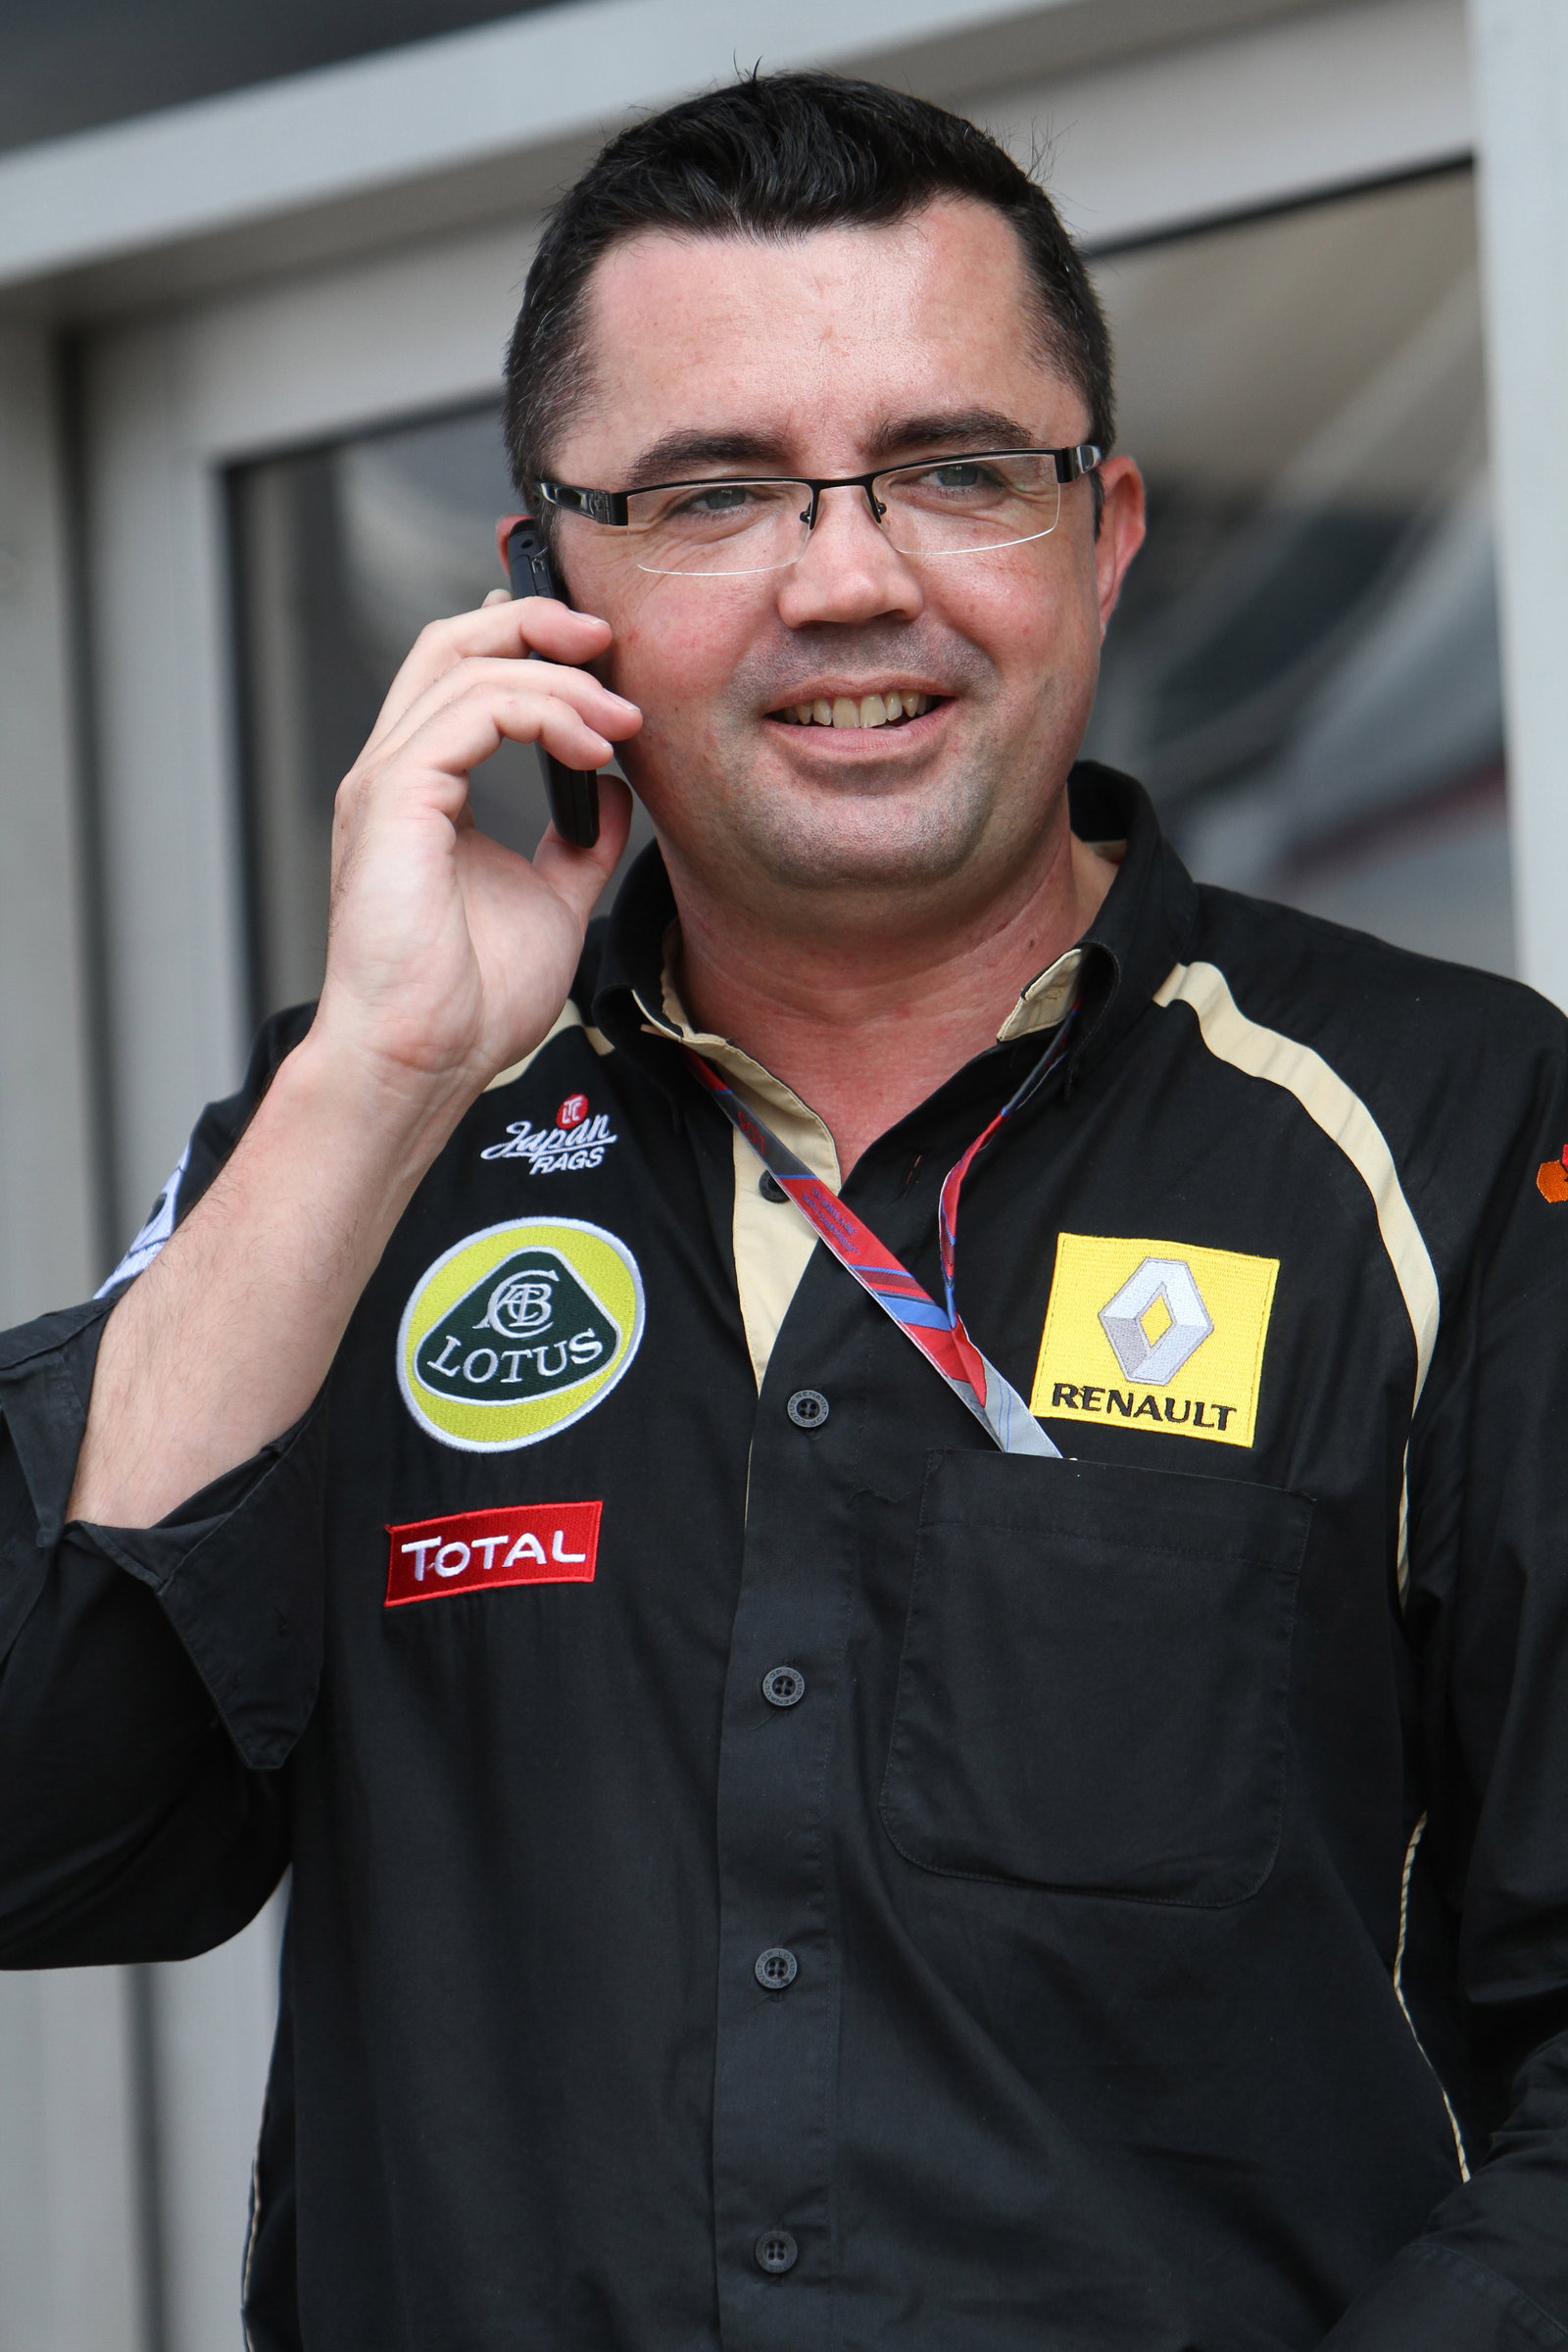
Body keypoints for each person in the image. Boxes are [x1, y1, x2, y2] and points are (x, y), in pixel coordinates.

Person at [2, 69, 1566, 2352]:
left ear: (1101, 526)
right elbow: (41, 1827)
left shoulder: (1446, 1128)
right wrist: (370, 1081)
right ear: (548, 587)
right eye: (714, 490)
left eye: (953, 470)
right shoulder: (360, 1144)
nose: (849, 579)